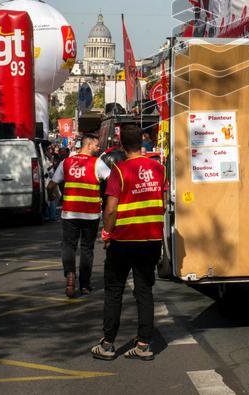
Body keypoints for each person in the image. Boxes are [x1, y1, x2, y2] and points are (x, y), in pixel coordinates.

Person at [91, 124, 166, 361]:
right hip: (152, 239)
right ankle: (144, 344)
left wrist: (107, 233)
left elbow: (110, 209)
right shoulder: (159, 168)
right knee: (144, 291)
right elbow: (161, 201)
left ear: (122, 145)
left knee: (114, 290)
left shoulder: (119, 171)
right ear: (143, 142)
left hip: (124, 240)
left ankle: (108, 344)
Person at [54, 133, 111, 298]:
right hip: (90, 215)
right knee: (87, 248)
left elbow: (52, 184)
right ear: (88, 145)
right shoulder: (97, 163)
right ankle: (85, 284)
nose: (98, 148)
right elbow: (112, 179)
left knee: (68, 246)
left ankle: (70, 275)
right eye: (96, 145)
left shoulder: (66, 162)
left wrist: (56, 196)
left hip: (69, 213)